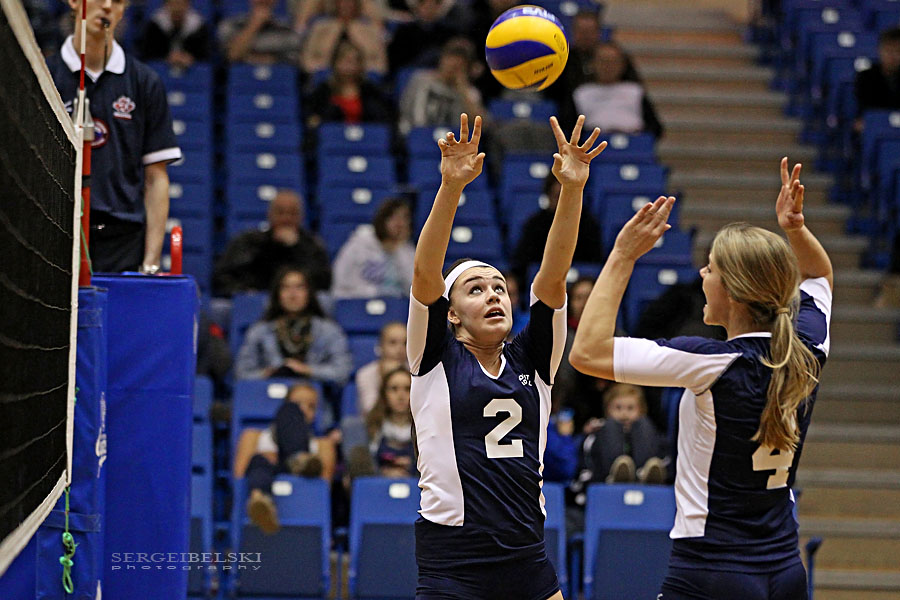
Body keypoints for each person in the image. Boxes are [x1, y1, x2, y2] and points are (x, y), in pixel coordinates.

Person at [570, 157, 833, 600]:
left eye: (710, 269)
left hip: (713, 571)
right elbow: (820, 275)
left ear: (734, 291)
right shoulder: (809, 345)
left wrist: (622, 256)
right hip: (786, 570)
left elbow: (587, 352)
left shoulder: (711, 363)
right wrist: (796, 229)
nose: (702, 275)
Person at [408, 113, 606, 600]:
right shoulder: (434, 358)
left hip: (526, 559)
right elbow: (425, 274)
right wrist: (451, 187)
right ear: (452, 314)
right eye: (476, 290)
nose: (494, 295)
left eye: (499, 287)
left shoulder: (532, 359)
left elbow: (553, 277)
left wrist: (572, 191)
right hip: (453, 562)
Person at [48, 0, 182, 273]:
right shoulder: (46, 77)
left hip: (123, 240)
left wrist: (151, 262)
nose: (108, 5)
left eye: (118, 0)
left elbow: (156, 178)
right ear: (74, 2)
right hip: (57, 232)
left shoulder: (144, 82)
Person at [234, 382, 338, 533]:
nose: (304, 409)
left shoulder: (322, 444)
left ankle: (299, 458)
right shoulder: (254, 436)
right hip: (267, 473)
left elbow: (323, 487)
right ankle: (259, 501)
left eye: (311, 407)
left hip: (302, 490)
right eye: (297, 404)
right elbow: (239, 477)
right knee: (258, 461)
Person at [235, 266, 353, 387]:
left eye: (299, 287)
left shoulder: (329, 330)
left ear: (309, 293)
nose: (292, 294)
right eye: (285, 288)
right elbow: (242, 373)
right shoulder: (259, 331)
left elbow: (342, 372)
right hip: (268, 392)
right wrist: (267, 373)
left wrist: (307, 370)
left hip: (313, 394)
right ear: (277, 294)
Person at [213, 190, 331, 296]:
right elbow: (222, 278)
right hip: (255, 302)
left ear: (301, 217)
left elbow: (323, 282)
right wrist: (245, 292)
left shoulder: (312, 246)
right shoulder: (248, 242)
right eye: (280, 212)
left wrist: (295, 248)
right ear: (269, 214)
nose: (286, 219)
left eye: (292, 213)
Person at [512, 172, 604, 283]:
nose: (562, 203)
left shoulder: (589, 225)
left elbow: (595, 264)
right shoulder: (535, 225)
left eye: (566, 197)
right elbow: (523, 265)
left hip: (582, 283)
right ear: (549, 196)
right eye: (558, 197)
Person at [570, 42, 664, 138]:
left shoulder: (635, 91)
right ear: (593, 64)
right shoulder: (582, 93)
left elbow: (655, 127)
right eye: (603, 61)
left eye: (613, 61)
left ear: (622, 64)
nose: (608, 66)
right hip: (594, 141)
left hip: (632, 140)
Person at [580, 383, 667, 484]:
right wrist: (587, 434)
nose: (624, 413)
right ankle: (615, 474)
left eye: (630, 408)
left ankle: (645, 473)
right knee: (611, 426)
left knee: (644, 424)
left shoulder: (647, 430)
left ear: (641, 410)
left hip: (642, 473)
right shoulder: (602, 430)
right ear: (607, 410)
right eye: (618, 408)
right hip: (605, 475)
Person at [331, 198, 415, 298]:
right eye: (394, 217)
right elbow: (340, 282)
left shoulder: (407, 250)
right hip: (360, 301)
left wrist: (398, 250)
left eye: (404, 218)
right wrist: (375, 293)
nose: (400, 223)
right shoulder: (359, 244)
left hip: (397, 304)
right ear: (383, 220)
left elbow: (413, 287)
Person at [398, 37, 486, 133]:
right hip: (418, 135)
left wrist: (462, 88)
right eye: (450, 59)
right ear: (442, 59)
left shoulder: (469, 92)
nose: (452, 67)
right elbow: (404, 111)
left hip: (452, 138)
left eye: (459, 65)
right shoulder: (421, 80)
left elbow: (482, 125)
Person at [304, 40, 393, 130]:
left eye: (354, 61)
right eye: (345, 61)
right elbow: (311, 119)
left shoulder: (370, 90)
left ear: (361, 65)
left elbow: (384, 119)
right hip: (333, 136)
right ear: (335, 63)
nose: (349, 66)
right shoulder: (323, 90)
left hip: (368, 137)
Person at [300, 0, 387, 76]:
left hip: (364, 77)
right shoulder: (320, 28)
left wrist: (358, 69)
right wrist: (323, 69)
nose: (346, 5)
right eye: (342, 1)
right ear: (335, 3)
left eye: (350, 2)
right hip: (325, 77)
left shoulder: (370, 30)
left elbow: (382, 65)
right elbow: (306, 60)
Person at [365, 367, 416, 477]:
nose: (401, 396)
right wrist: (383, 473)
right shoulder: (370, 426)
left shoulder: (426, 429)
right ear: (384, 394)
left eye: (407, 389)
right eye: (394, 389)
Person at [218, 0, 302, 64]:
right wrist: (254, 24)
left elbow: (292, 60)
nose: (263, 0)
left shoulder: (287, 29)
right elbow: (231, 56)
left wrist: (270, 59)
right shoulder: (230, 25)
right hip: (241, 78)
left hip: (278, 79)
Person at [136, 0, 211, 68]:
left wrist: (190, 57)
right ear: (166, 5)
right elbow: (148, 53)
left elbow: (205, 55)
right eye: (173, 3)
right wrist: (166, 57)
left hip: (192, 69)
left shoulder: (198, 26)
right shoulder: (154, 26)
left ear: (188, 5)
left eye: (181, 4)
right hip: (161, 68)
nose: (177, 8)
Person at [356, 322, 408, 416]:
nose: (400, 349)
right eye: (393, 342)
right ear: (380, 346)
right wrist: (387, 378)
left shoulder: (417, 373)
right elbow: (370, 411)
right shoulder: (365, 374)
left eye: (405, 343)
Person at [854, 27, 900, 128]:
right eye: (888, 51)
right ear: (880, 50)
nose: (893, 57)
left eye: (897, 51)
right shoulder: (866, 77)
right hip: (874, 126)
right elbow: (864, 108)